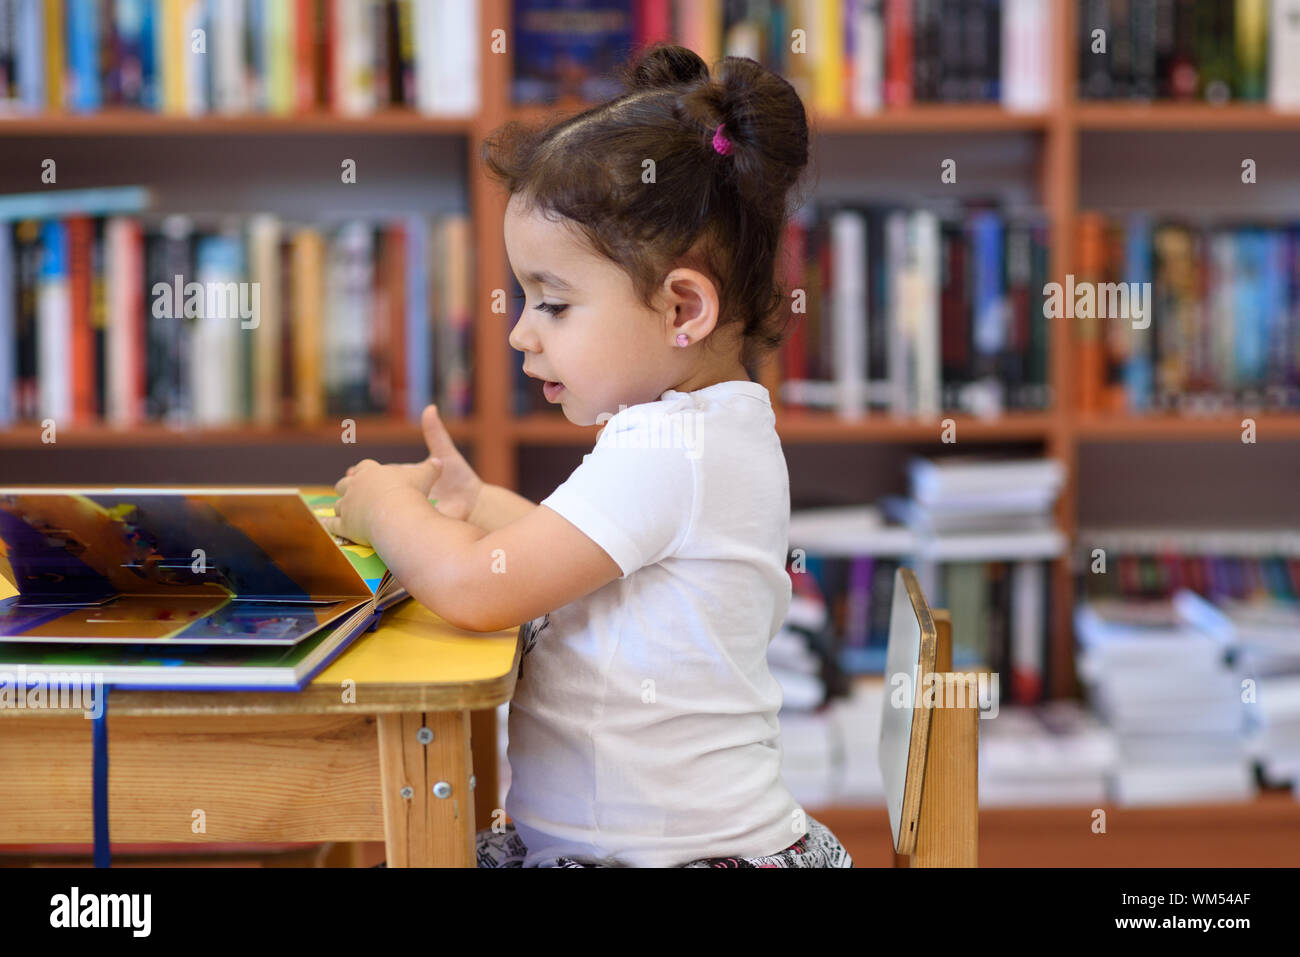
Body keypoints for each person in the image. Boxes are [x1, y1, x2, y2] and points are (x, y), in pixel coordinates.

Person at [327, 42, 851, 869]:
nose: (521, 331)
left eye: (554, 303)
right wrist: (478, 503)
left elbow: (474, 588)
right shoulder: (708, 426)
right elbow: (593, 560)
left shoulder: (669, 446)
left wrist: (382, 507)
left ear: (682, 306)